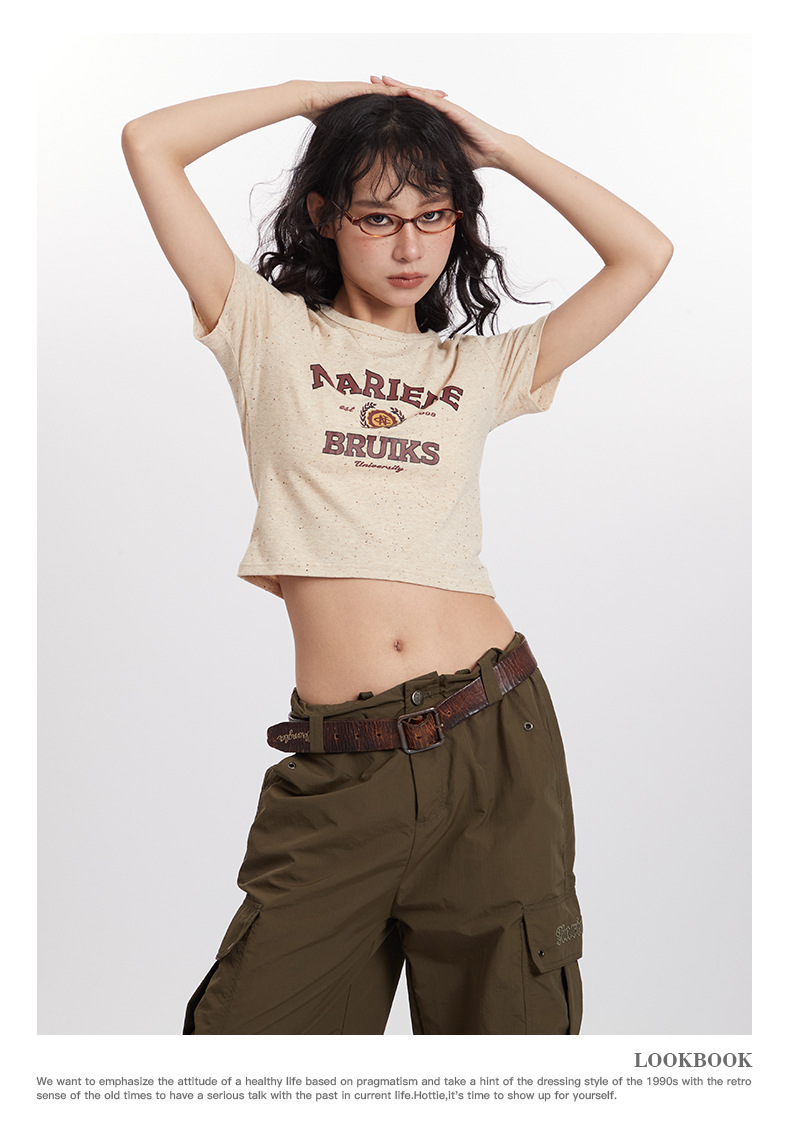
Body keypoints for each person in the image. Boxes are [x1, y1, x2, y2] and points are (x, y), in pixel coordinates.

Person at [122, 75, 672, 1035]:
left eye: (433, 216)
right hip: (343, 765)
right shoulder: (265, 331)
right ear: (324, 216)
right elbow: (148, 142)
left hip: (494, 738)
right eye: (378, 218)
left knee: (508, 1062)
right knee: (244, 1054)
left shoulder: (481, 367)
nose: (410, 246)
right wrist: (309, 98)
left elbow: (644, 253)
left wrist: (498, 147)